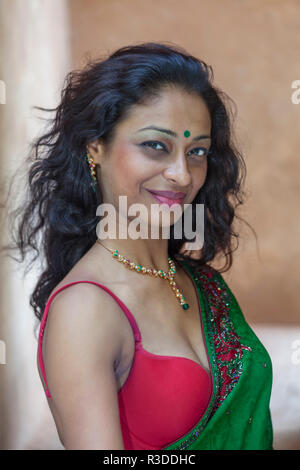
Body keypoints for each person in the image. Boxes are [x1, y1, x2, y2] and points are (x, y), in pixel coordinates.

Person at [4, 42, 273, 450]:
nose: (182, 175)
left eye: (197, 151)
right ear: (95, 147)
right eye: (156, 146)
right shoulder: (86, 310)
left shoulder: (201, 283)